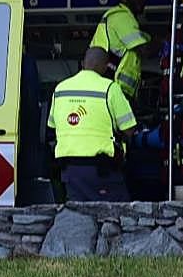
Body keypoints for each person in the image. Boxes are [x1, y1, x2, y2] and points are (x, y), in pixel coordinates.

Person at [48, 46, 137, 201]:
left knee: (77, 216)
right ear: (105, 66)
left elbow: (52, 126)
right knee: (119, 213)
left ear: (83, 63)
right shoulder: (110, 88)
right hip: (103, 170)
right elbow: (129, 129)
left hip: (69, 171)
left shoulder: (60, 89)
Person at [90, 0, 151, 99]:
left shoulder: (129, 23)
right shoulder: (121, 16)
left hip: (113, 90)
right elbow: (145, 49)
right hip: (111, 90)